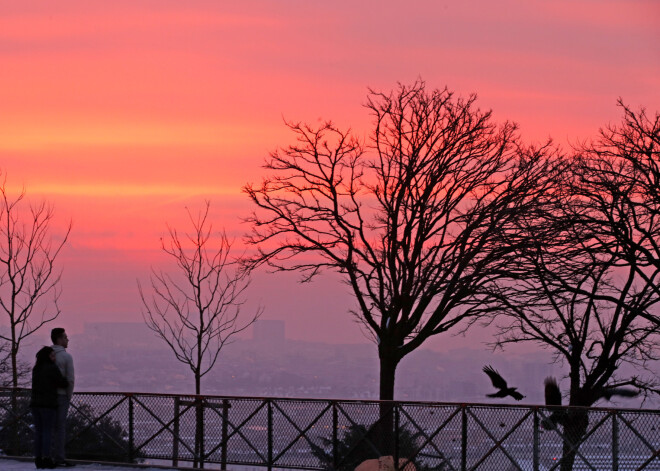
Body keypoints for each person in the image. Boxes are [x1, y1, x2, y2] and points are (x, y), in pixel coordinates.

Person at [31, 346, 69, 469]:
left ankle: (38, 458)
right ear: (48, 356)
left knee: (38, 432)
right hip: (48, 404)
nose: (54, 358)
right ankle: (47, 458)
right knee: (47, 431)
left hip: (35, 403)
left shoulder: (36, 368)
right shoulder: (52, 368)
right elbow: (63, 383)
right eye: (52, 355)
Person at [51, 328, 75, 467]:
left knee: (47, 428)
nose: (67, 340)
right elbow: (70, 379)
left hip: (46, 396)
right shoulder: (66, 357)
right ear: (59, 339)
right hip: (61, 396)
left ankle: (45, 455)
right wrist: (68, 396)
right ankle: (59, 457)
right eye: (65, 337)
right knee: (60, 428)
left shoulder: (46, 355)